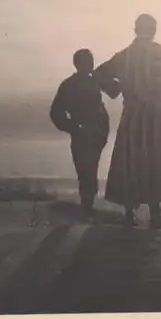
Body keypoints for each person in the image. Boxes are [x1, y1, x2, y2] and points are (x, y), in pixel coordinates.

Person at [93, 14, 161, 228]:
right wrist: (155, 91)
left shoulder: (124, 55)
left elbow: (99, 74)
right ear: (154, 29)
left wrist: (117, 89)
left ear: (135, 29)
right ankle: (155, 215)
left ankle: (129, 214)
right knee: (153, 162)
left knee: (129, 161)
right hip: (153, 114)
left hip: (131, 114)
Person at [50, 49, 109, 219]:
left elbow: (113, 93)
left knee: (89, 170)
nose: (90, 65)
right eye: (87, 62)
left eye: (91, 61)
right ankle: (87, 208)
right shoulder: (69, 85)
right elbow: (56, 112)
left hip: (95, 134)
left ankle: (87, 208)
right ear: (78, 64)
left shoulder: (95, 81)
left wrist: (103, 129)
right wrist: (73, 127)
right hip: (82, 134)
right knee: (85, 171)